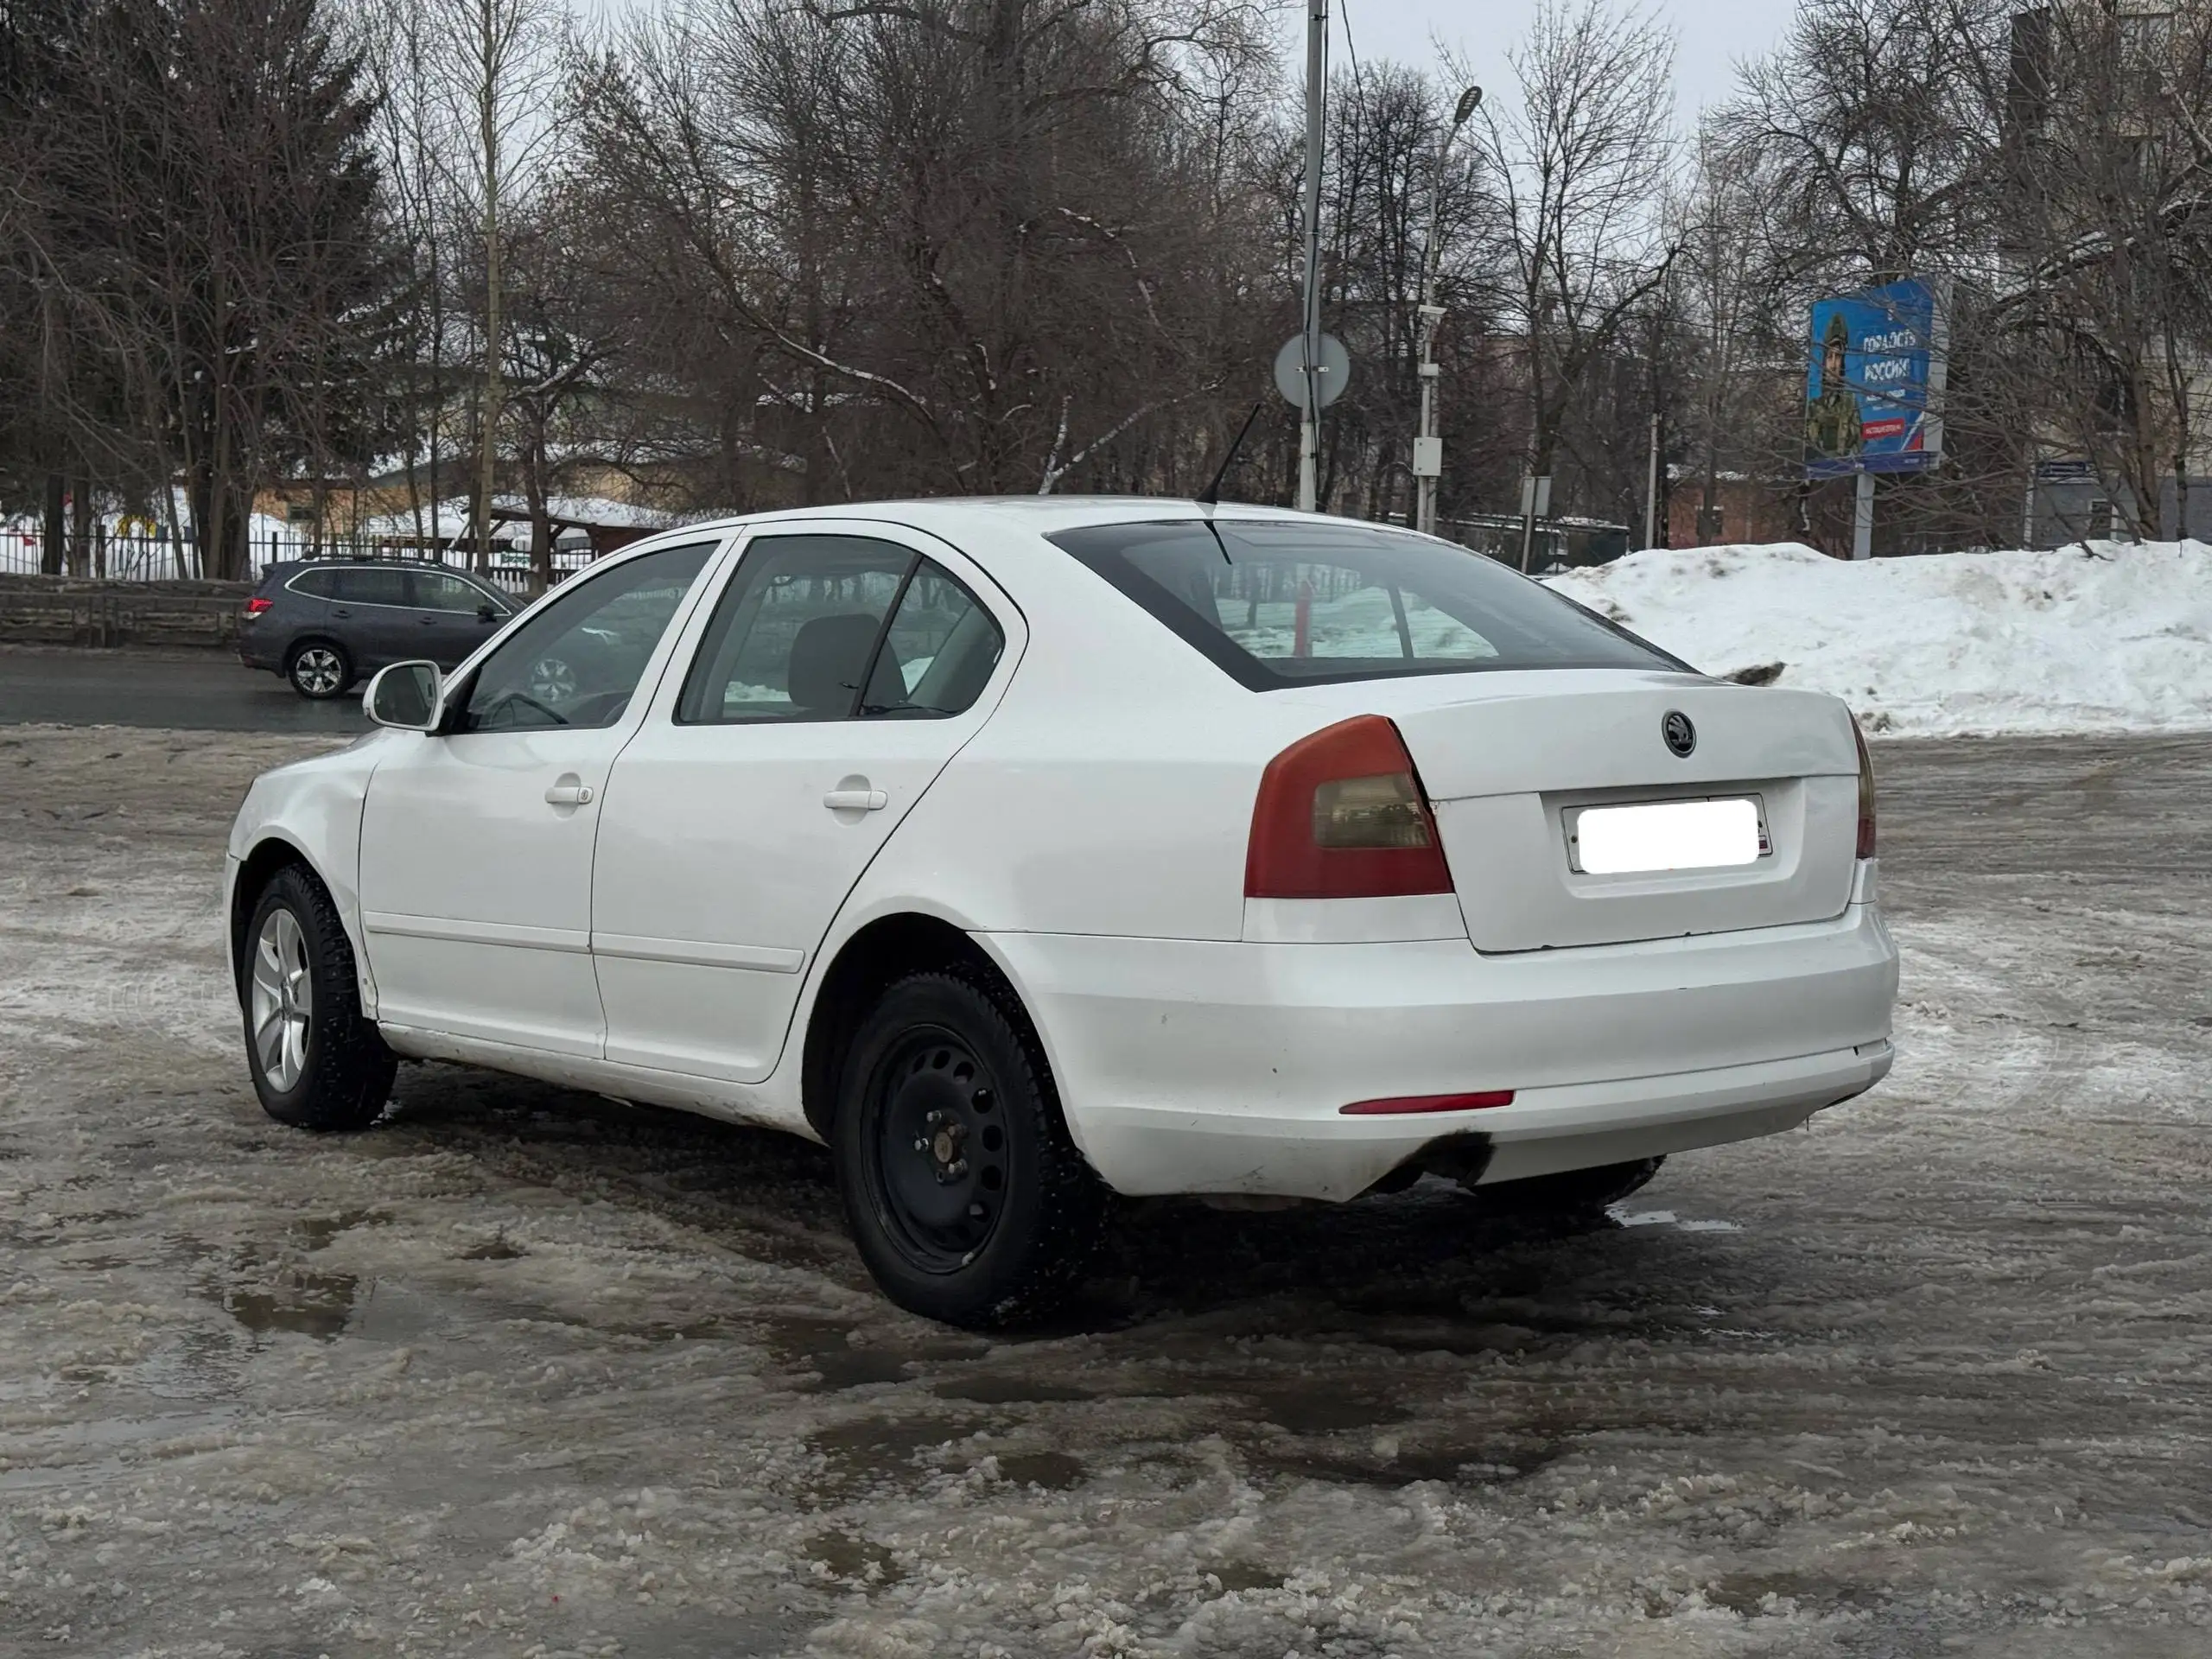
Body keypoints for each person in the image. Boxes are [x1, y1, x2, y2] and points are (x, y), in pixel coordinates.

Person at [1806, 311, 1862, 462]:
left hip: (1846, 470)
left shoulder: (1850, 403)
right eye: (1830, 357)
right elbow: (1810, 448)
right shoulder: (1814, 406)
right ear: (1823, 361)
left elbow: (1859, 446)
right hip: (1820, 472)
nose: (1833, 365)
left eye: (1838, 357)